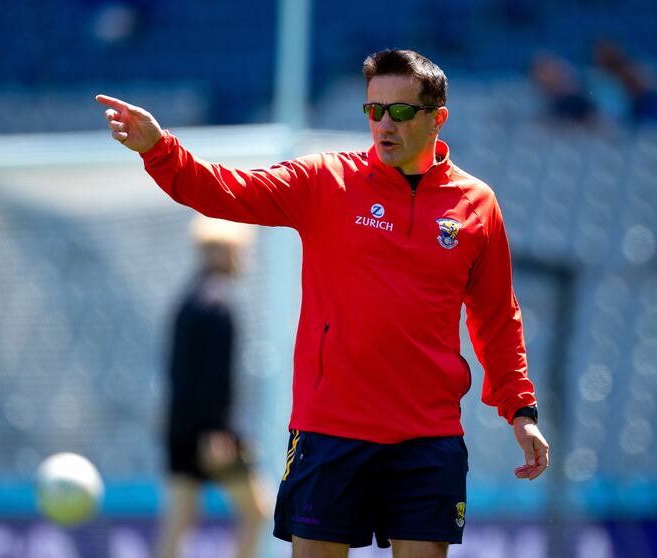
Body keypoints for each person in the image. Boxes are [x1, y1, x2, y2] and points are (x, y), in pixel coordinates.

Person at [97, 48, 549, 558]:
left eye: (400, 111)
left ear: (437, 118)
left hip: (428, 436)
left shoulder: (477, 204)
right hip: (331, 429)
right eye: (374, 110)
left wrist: (520, 409)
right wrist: (159, 150)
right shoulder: (325, 181)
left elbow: (497, 317)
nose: (384, 123)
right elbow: (228, 191)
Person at [156, 215, 267, 558]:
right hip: (212, 433)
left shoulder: (187, 299)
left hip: (179, 428)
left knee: (179, 520)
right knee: (258, 513)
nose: (243, 259)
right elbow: (211, 377)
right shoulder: (219, 304)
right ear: (223, 253)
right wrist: (215, 431)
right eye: (239, 251)